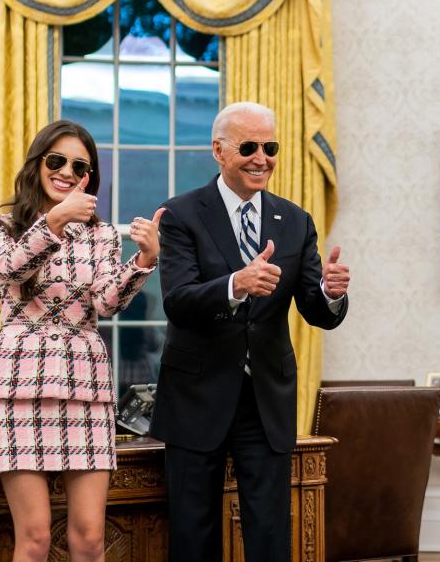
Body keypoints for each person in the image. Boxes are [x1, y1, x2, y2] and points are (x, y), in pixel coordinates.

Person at [149, 102, 350, 562]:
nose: (262, 157)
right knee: (193, 533)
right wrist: (234, 285)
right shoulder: (181, 215)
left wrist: (331, 291)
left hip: (265, 400)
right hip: (195, 397)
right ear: (219, 151)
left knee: (269, 532)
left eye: (270, 147)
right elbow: (178, 301)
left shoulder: (295, 220)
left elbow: (317, 310)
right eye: (249, 147)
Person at [0, 119, 163, 562]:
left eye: (80, 166)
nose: (66, 171)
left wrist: (145, 259)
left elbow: (105, 303)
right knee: (36, 537)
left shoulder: (99, 234)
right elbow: (10, 270)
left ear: (89, 177)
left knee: (89, 539)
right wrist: (54, 222)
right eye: (56, 160)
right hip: (16, 387)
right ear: (37, 164)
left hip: (85, 386)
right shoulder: (0, 223)